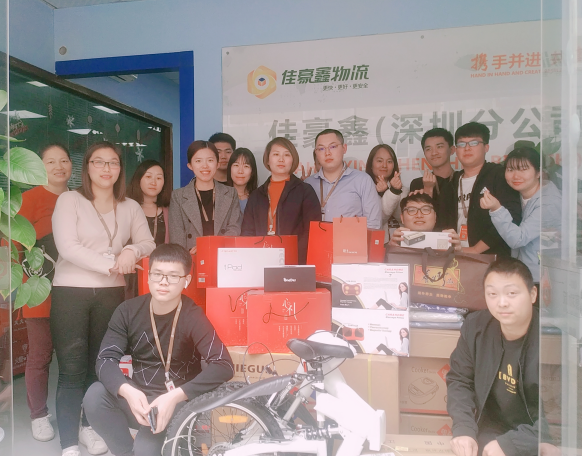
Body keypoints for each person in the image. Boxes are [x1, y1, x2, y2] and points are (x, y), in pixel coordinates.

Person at [51, 141, 156, 456]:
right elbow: (67, 247)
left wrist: (131, 250)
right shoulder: (70, 200)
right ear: (87, 167)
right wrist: (112, 264)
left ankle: (89, 428)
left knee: (100, 367)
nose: (106, 168)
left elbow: (148, 242)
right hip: (71, 292)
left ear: (120, 169)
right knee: (71, 369)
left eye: (113, 162)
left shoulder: (130, 206)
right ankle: (68, 442)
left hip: (112, 294)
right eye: (98, 162)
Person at [83, 244, 234, 456]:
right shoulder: (128, 311)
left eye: (173, 276)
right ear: (148, 277)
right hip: (140, 397)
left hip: (178, 403)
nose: (163, 282)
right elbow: (105, 359)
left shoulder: (192, 315)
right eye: (157, 274)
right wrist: (127, 391)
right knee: (94, 396)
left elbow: (224, 365)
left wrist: (175, 396)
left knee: (145, 451)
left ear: (186, 280)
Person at [447, 257, 543, 456]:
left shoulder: (552, 339)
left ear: (533, 294)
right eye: (492, 294)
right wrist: (463, 428)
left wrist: (513, 444)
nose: (502, 303)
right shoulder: (475, 327)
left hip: (538, 437)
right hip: (491, 432)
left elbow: (565, 414)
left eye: (512, 293)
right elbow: (460, 380)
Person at [17, 144, 72, 442]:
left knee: (74, 357)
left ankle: (74, 413)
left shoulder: (79, 199)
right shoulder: (28, 200)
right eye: (51, 162)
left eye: (64, 160)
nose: (58, 166)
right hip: (39, 289)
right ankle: (38, 415)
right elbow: (12, 246)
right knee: (39, 355)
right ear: (40, 166)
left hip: (75, 290)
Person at [480, 147, 561, 283]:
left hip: (544, 280)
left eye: (523, 169)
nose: (516, 176)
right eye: (510, 170)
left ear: (538, 173)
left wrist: (496, 209)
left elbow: (518, 239)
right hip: (525, 275)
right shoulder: (519, 195)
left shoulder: (549, 203)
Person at [442, 122, 521, 255]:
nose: (467, 148)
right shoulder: (452, 182)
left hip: (492, 257)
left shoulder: (499, 175)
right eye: (461, 144)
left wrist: (475, 250)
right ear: (455, 150)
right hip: (454, 256)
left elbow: (512, 216)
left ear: (486, 147)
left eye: (474, 143)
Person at [241, 137, 321, 264]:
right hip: (260, 261)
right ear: (268, 160)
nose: (281, 159)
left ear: (293, 159)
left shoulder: (305, 191)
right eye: (276, 154)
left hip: (295, 262)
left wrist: (293, 256)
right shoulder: (256, 195)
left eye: (287, 155)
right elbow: (247, 232)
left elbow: (312, 231)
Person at [169, 140, 241, 254]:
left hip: (223, 255)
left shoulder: (231, 193)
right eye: (198, 161)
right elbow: (177, 235)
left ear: (217, 164)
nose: (205, 166)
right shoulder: (178, 196)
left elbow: (234, 228)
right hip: (191, 257)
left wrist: (211, 246)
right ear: (190, 166)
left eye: (210, 160)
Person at [304, 129, 382, 229]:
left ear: (344, 148)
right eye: (321, 149)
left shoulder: (362, 180)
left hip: (352, 239)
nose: (327, 153)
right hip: (317, 239)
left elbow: (373, 224)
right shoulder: (307, 184)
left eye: (333, 147)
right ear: (316, 153)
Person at [410, 128, 456, 229]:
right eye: (428, 149)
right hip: (429, 238)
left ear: (452, 150)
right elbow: (418, 220)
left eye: (439, 147)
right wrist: (428, 189)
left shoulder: (462, 179)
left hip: (460, 238)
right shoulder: (418, 183)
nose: (434, 153)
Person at [388, 193, 462, 251]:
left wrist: (458, 253)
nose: (419, 215)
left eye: (426, 210)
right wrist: (390, 249)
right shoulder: (394, 243)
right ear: (402, 218)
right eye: (412, 210)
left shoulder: (449, 241)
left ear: (435, 217)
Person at [365, 144, 407, 242]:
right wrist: (388, 193)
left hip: (400, 243)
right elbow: (378, 219)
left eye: (389, 161)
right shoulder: (363, 189)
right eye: (379, 161)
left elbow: (403, 218)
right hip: (373, 243)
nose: (384, 165)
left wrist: (392, 191)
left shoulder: (403, 190)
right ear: (371, 164)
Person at [127, 159, 171, 246]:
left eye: (158, 178)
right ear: (138, 179)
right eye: (148, 177)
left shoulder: (171, 211)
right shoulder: (127, 208)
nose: (153, 182)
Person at [226, 147, 258, 215]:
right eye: (236, 165)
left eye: (246, 166)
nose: (240, 171)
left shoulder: (259, 198)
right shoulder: (219, 196)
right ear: (230, 169)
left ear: (252, 171)